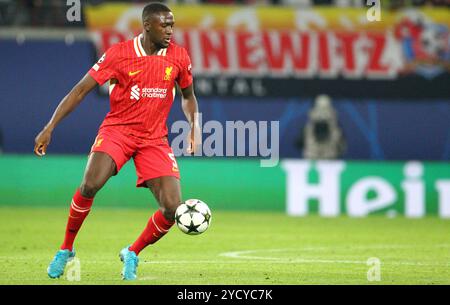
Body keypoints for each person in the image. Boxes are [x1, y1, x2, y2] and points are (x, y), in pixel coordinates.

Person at [34, 2, 201, 281]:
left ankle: (133, 252)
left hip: (154, 139)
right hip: (118, 131)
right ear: (147, 25)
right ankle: (66, 249)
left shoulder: (179, 57)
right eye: (165, 24)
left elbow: (187, 96)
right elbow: (80, 90)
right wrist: (50, 126)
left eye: (172, 24)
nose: (171, 30)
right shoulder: (119, 54)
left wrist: (194, 126)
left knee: (173, 208)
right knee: (90, 184)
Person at [296, 95, 346, 159]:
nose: (322, 113)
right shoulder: (307, 128)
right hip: (311, 158)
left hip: (330, 159)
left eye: (326, 108)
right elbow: (299, 144)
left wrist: (334, 126)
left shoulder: (337, 130)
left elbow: (343, 148)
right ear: (312, 111)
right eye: (319, 108)